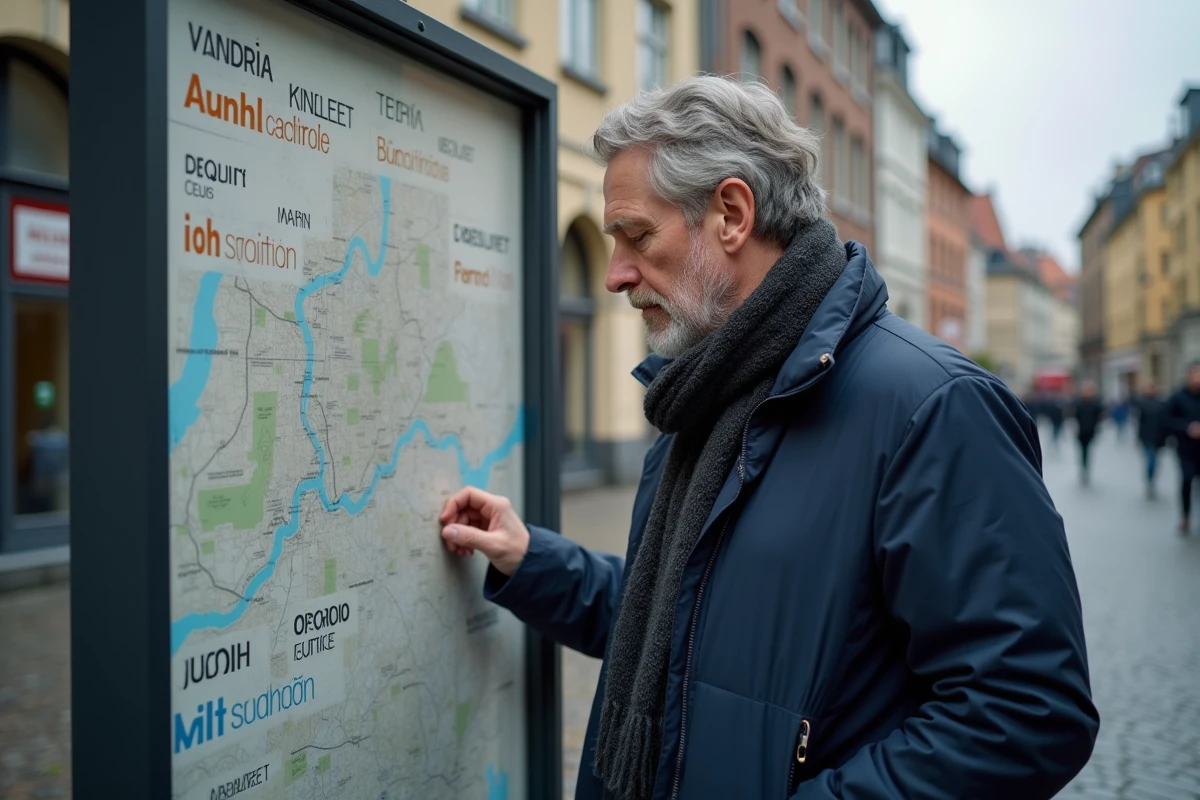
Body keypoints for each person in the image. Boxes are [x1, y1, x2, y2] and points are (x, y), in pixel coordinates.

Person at [439, 76, 1097, 800]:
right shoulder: (703, 393)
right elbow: (678, 624)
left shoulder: (932, 406)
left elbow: (1026, 710)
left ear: (730, 213)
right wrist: (534, 561)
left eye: (636, 235)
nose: (617, 275)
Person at [1165, 362, 1200, 534]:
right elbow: (1167, 420)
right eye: (1195, 375)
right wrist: (1187, 428)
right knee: (1187, 481)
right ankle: (1185, 516)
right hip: (1186, 449)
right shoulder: (1178, 397)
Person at [1134, 381, 1169, 499]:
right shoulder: (1142, 403)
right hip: (1146, 437)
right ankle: (1150, 482)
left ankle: (1152, 480)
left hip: (1158, 438)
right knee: (1151, 460)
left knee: (1155, 462)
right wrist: (1138, 438)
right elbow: (1139, 423)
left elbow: (1165, 422)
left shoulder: (1162, 403)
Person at [1071, 381, 1104, 486]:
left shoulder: (1095, 403)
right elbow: (1074, 416)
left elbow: (1100, 416)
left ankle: (1086, 468)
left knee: (1087, 451)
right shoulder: (1079, 403)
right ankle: (1084, 468)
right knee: (1083, 451)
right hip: (1081, 432)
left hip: (1090, 432)